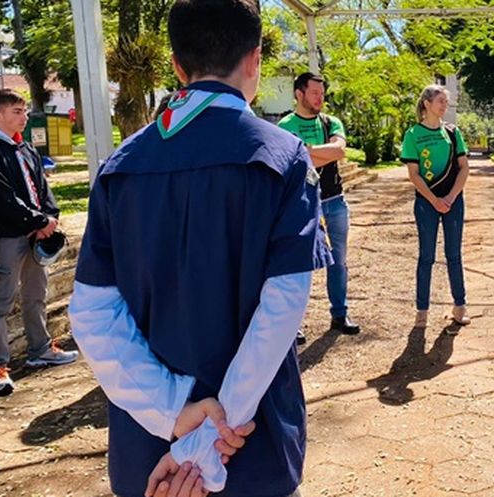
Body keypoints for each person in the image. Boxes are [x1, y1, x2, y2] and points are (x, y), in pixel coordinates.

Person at [67, 1, 331, 496]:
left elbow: (92, 314)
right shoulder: (283, 157)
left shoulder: (120, 167)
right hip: (252, 447)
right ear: (255, 59)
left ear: (176, 65)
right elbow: (282, 306)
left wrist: (172, 412)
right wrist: (209, 439)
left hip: (151, 453)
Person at [0, 89, 76, 396]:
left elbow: (42, 187)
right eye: (16, 112)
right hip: (8, 237)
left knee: (36, 295)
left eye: (24, 111)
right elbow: (1, 197)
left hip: (37, 235)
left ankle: (40, 349)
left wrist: (50, 218)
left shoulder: (26, 148)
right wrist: (38, 221)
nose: (23, 116)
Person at [278, 73, 360, 339]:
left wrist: (306, 149)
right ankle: (293, 323)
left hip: (335, 201)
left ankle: (339, 314)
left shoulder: (330, 122)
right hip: (302, 203)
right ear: (299, 94)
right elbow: (293, 161)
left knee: (339, 260)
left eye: (322, 93)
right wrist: (319, 153)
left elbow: (339, 151)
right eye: (314, 93)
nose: (320, 98)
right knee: (299, 264)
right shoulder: (285, 125)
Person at [401, 84, 471, 330]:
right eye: (440, 101)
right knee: (426, 256)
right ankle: (422, 311)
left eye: (446, 101)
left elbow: (464, 167)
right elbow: (414, 174)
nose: (444, 105)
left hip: (453, 201)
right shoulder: (413, 134)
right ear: (427, 104)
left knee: (454, 255)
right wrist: (434, 200)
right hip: (426, 203)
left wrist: (450, 197)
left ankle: (459, 306)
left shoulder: (452, 132)